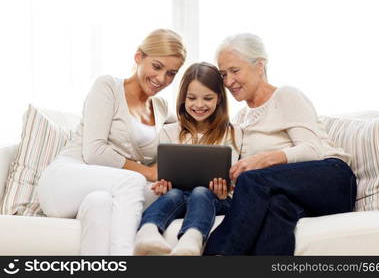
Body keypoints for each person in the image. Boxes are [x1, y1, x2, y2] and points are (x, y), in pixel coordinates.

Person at [203, 33, 357, 255]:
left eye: (235, 71)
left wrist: (263, 160)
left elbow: (312, 150)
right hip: (291, 194)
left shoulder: (285, 96)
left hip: (332, 180)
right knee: (276, 209)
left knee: (253, 180)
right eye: (223, 74)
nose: (228, 82)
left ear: (259, 66)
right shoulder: (240, 119)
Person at [37, 29, 186, 255]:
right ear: (139, 57)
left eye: (171, 73)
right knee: (134, 182)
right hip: (65, 179)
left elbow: (194, 124)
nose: (161, 79)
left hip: (99, 191)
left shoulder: (161, 107)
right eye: (157, 66)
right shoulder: (108, 87)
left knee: (101, 204)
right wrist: (149, 172)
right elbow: (95, 152)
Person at [134, 62, 242, 256]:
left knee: (200, 192)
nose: (199, 105)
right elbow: (164, 172)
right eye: (192, 98)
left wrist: (224, 187)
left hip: (217, 199)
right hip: (179, 196)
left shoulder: (233, 132)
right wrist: (162, 184)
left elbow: (234, 174)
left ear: (219, 99)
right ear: (183, 98)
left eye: (207, 98)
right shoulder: (169, 132)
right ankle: (147, 232)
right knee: (173, 193)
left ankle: (192, 239)